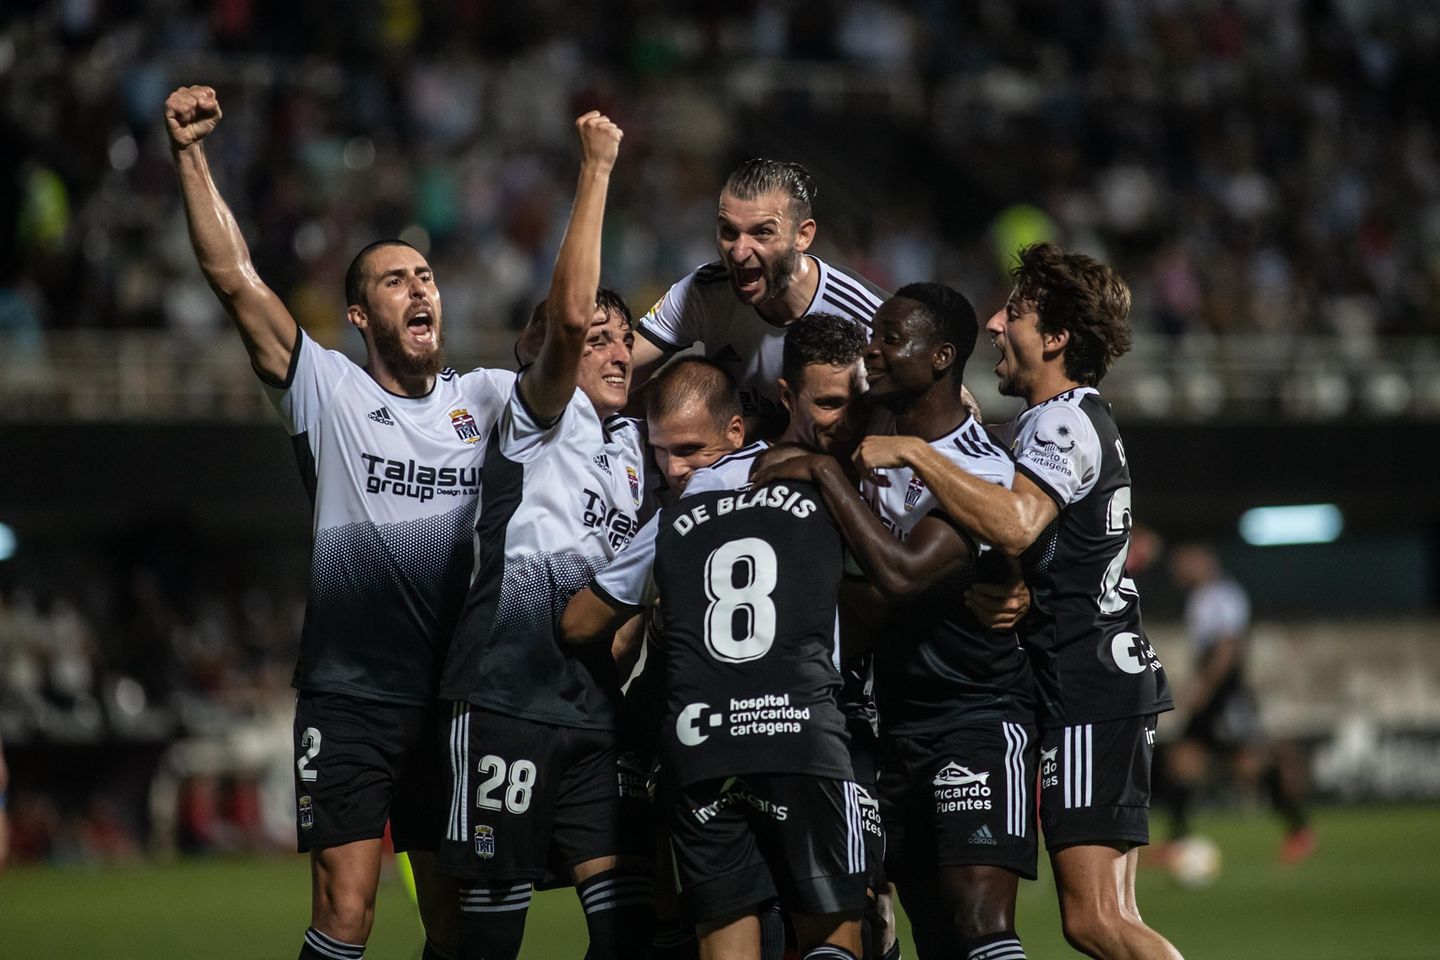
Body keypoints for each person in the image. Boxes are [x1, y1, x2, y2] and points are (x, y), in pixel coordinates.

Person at [166, 84, 514, 960]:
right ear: (360, 315)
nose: (418, 289)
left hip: (451, 700)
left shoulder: (485, 400)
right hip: (351, 693)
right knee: (347, 911)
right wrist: (190, 155)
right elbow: (234, 279)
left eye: (425, 276)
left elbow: (580, 366)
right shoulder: (329, 392)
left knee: (454, 924)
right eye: (395, 280)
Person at [853, 244, 1182, 960]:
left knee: (1096, 920)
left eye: (1018, 313)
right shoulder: (1054, 421)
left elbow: (1018, 522)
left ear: (1056, 337)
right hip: (1094, 677)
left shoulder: (1064, 420)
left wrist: (913, 452)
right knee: (1112, 913)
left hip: (1087, 679)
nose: (997, 325)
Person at [756, 283, 1038, 960]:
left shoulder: (978, 468)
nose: (872, 351)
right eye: (872, 337)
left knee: (979, 920)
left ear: (941, 357)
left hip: (975, 715)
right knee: (933, 932)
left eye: (889, 339)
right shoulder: (875, 425)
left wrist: (824, 475)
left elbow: (904, 575)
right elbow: (770, 464)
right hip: (899, 726)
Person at [435, 111, 655, 960]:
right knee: (489, 942)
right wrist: (597, 168)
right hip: (506, 703)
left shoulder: (635, 448)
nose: (615, 351)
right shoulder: (537, 419)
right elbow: (565, 321)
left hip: (594, 713)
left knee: (628, 931)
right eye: (597, 340)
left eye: (624, 340)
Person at [565, 444, 869, 960]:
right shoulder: (827, 505)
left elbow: (578, 623)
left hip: (701, 746)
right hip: (800, 737)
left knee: (725, 945)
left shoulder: (674, 521)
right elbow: (898, 580)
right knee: (831, 936)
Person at [630, 159, 887, 437]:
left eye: (762, 232)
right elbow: (619, 372)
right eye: (729, 231)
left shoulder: (868, 315)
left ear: (803, 236)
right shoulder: (704, 290)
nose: (739, 252)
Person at [1164, 543, 1315, 864]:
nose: (1178, 571)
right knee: (1183, 759)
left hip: (1225, 694)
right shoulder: (1202, 598)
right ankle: (1178, 840)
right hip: (1216, 692)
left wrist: (1205, 686)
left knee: (1248, 765)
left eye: (1185, 563)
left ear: (1205, 561)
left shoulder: (1222, 596)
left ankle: (1299, 829)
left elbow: (1228, 646)